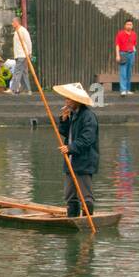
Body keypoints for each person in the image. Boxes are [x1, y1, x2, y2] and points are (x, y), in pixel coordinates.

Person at [53, 82, 99, 218]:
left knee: (86, 196)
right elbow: (67, 133)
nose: (66, 101)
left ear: (76, 100)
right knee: (70, 195)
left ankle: (87, 219)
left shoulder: (88, 116)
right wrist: (64, 119)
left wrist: (70, 148)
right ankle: (72, 218)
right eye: (66, 98)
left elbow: (87, 139)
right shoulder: (73, 114)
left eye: (68, 99)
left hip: (83, 161)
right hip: (71, 161)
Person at [8, 16, 32, 95]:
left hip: (23, 54)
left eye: (13, 22)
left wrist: (29, 52)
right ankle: (27, 90)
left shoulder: (23, 30)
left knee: (17, 72)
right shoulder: (16, 31)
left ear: (17, 22)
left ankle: (13, 89)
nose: (12, 24)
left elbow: (28, 42)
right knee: (24, 72)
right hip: (19, 55)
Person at [115, 19, 138, 96]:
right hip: (123, 53)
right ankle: (123, 90)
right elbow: (117, 45)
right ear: (125, 25)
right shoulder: (120, 33)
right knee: (123, 72)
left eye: (130, 24)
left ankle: (128, 89)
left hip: (131, 54)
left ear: (132, 26)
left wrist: (134, 53)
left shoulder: (134, 34)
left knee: (129, 72)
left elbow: (134, 45)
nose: (129, 25)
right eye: (127, 24)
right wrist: (118, 55)